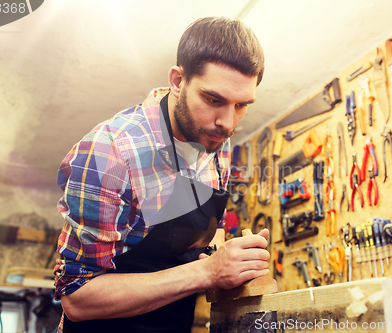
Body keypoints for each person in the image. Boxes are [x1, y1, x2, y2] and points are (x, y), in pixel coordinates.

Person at [53, 16, 268, 332]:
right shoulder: (110, 153)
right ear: (178, 81)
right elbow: (77, 298)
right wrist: (207, 272)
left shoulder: (216, 137)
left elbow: (211, 230)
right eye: (214, 99)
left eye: (241, 105)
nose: (228, 122)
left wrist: (228, 256)